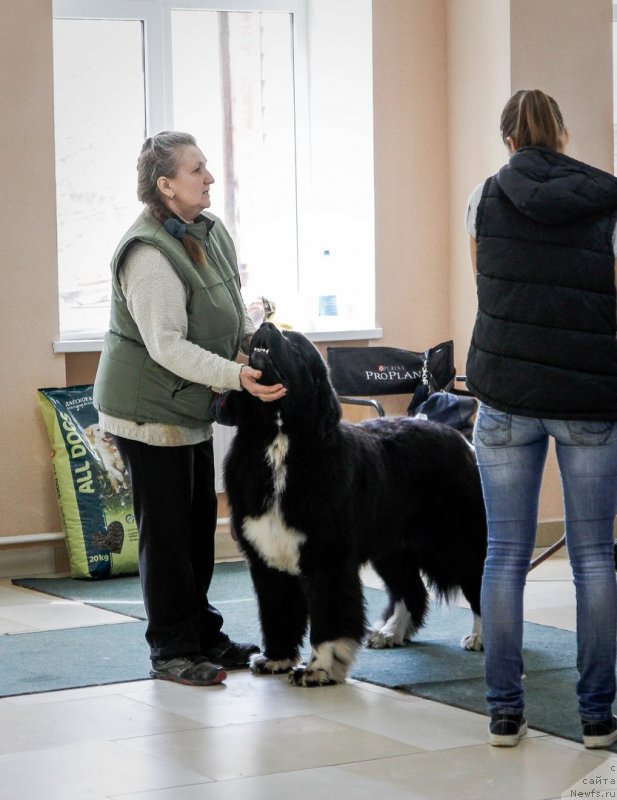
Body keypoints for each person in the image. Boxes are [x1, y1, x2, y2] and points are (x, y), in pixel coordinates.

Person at [93, 131, 286, 686]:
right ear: (165, 185)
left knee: (199, 525)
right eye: (197, 169)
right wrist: (236, 377)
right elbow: (168, 346)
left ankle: (204, 634)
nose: (208, 177)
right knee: (170, 536)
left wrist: (255, 350)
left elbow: (226, 312)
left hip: (187, 406)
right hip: (146, 412)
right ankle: (172, 649)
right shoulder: (148, 251)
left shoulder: (210, 230)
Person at [466, 90, 617, 748]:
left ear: (507, 139)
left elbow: (487, 284)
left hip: (503, 395)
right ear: (561, 134)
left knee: (502, 557)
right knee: (593, 561)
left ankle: (503, 712)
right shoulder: (605, 200)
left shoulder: (482, 196)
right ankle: (596, 717)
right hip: (588, 400)